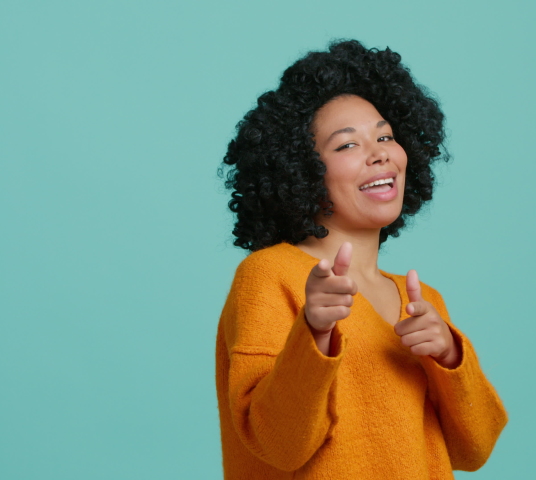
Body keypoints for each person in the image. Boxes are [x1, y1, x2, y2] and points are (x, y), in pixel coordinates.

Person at [216, 39, 507, 479]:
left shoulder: (424, 301)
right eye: (347, 145)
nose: (380, 153)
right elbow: (279, 445)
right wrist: (314, 332)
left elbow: (474, 451)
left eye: (385, 136)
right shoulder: (269, 276)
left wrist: (450, 356)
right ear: (300, 169)